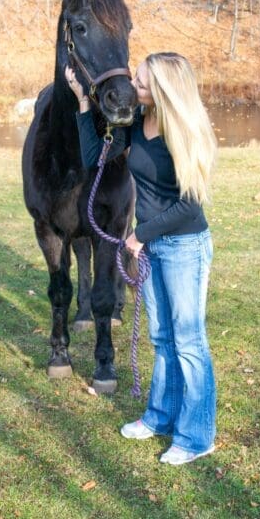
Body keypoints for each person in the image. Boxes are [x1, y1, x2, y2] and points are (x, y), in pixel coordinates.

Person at [65, 52, 217, 466]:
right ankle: (159, 417)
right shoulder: (136, 123)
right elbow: (92, 154)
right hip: (151, 247)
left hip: (184, 247)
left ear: (165, 90)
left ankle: (197, 435)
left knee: (188, 343)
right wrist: (82, 102)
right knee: (161, 338)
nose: (134, 87)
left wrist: (137, 236)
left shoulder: (184, 132)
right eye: (136, 79)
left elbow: (190, 205)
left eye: (142, 83)